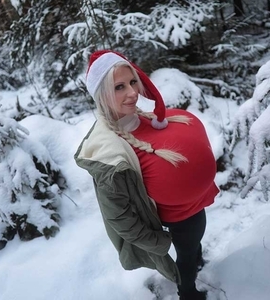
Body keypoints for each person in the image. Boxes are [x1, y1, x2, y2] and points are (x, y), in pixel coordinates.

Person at [74, 50, 219, 300]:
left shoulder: (143, 120)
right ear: (101, 95)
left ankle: (195, 260)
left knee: (192, 248)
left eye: (132, 82)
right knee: (186, 253)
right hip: (179, 217)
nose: (132, 92)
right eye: (119, 87)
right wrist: (156, 242)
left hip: (193, 206)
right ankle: (188, 293)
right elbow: (117, 215)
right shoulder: (109, 155)